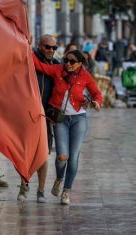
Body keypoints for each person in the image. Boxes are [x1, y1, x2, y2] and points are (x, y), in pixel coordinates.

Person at [32, 50, 102, 205]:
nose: (67, 64)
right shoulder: (58, 70)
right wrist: (27, 46)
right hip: (61, 119)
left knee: (74, 157)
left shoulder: (85, 75)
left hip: (79, 119)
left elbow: (96, 93)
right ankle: (59, 178)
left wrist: (96, 102)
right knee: (62, 156)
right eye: (66, 60)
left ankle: (66, 191)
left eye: (71, 62)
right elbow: (39, 66)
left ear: (80, 63)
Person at [17, 34, 60, 203]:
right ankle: (23, 185)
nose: (51, 50)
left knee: (44, 154)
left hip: (47, 116)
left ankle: (41, 191)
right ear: (40, 46)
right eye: (48, 47)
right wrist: (26, 46)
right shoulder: (29, 60)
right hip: (28, 113)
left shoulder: (56, 65)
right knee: (25, 153)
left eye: (54, 48)